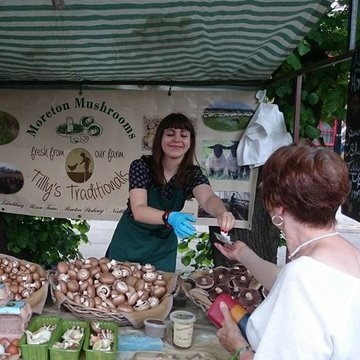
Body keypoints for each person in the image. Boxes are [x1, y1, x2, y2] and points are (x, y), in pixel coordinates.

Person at [214, 143, 360, 359]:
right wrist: (244, 255)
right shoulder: (344, 253)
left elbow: (300, 285)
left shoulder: (304, 276)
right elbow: (288, 283)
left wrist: (239, 347)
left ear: (278, 207)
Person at [106, 113, 235, 272]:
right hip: (130, 241)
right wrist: (169, 217)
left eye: (184, 135)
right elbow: (138, 209)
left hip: (162, 249)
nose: (177, 139)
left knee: (161, 293)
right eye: (170, 134)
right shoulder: (141, 166)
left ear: (190, 143)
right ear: (160, 139)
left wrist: (222, 212)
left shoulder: (192, 174)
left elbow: (208, 197)